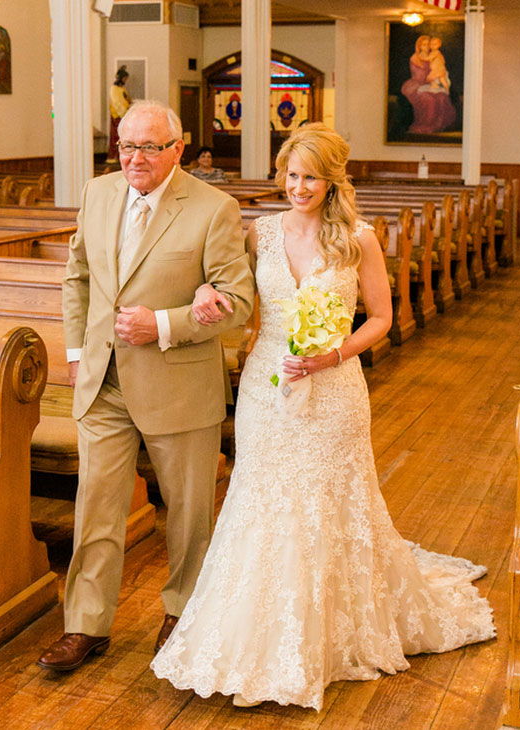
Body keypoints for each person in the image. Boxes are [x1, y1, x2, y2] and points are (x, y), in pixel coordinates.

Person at [152, 123, 494, 710]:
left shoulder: (357, 237)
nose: (298, 186)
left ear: (332, 179)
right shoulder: (258, 234)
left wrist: (333, 354)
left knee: (329, 500)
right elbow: (230, 290)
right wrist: (209, 291)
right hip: (266, 386)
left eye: (310, 176)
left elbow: (382, 317)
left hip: (335, 390)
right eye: (291, 174)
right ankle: (255, 633)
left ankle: (329, 633)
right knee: (261, 497)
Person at [38, 101, 254, 672]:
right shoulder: (99, 193)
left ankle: (183, 613)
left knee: (186, 516)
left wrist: (162, 324)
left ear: (177, 149)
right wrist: (80, 353)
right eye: (125, 146)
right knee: (96, 510)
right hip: (103, 383)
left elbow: (238, 303)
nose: (134, 158)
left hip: (178, 385)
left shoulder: (214, 209)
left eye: (149, 148)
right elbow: (78, 277)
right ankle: (86, 625)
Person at [401, 35, 456, 134]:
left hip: (431, 83)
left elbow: (439, 68)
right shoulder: (415, 58)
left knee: (442, 96)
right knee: (428, 99)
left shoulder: (434, 56)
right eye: (424, 45)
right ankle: (425, 124)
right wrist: (429, 79)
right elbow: (418, 76)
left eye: (428, 44)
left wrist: (437, 77)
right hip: (416, 84)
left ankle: (438, 124)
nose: (427, 47)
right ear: (419, 46)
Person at [106, 65, 132, 163]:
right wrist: (125, 114)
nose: (125, 80)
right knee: (116, 137)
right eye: (125, 78)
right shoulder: (114, 88)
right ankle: (113, 157)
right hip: (118, 116)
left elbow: (126, 99)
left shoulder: (122, 88)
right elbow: (117, 103)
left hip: (125, 115)